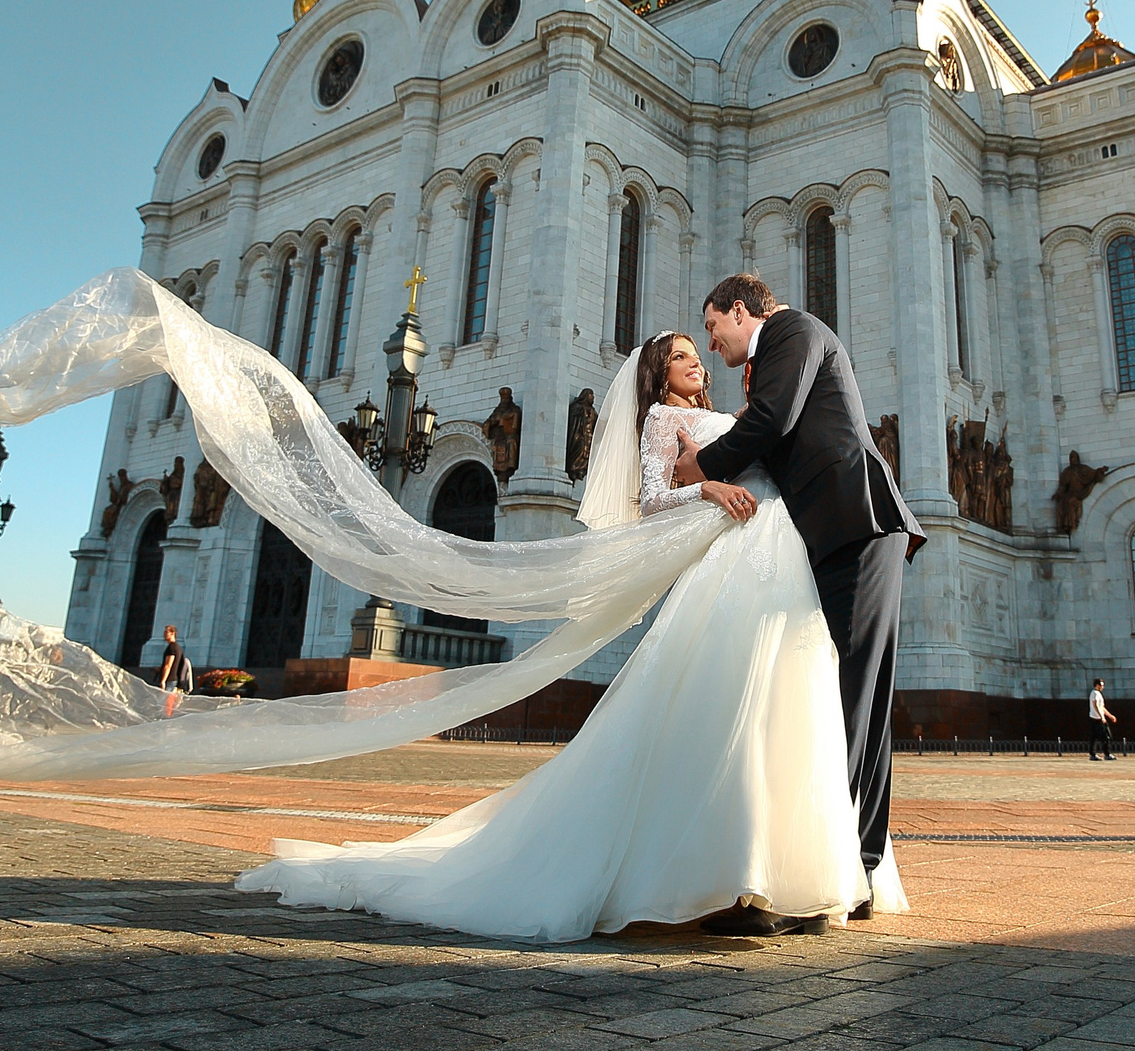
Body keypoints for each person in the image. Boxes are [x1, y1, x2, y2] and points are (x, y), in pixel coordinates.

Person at [244, 329, 887, 939]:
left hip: (779, 555)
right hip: (737, 557)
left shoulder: (738, 409)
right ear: (657, 375)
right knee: (732, 703)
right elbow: (654, 497)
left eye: (698, 352)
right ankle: (740, 874)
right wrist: (711, 489)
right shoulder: (664, 419)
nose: (696, 361)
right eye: (682, 356)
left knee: (790, 701)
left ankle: (802, 874)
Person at [672, 272, 925, 926]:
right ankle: (858, 871)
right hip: (840, 533)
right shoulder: (777, 352)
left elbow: (774, 418)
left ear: (739, 309)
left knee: (850, 703)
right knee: (859, 706)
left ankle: (806, 883)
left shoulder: (791, 330)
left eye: (712, 324)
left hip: (859, 524)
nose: (711, 340)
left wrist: (704, 462)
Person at [156, 624, 192, 718]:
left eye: (166, 632)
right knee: (170, 701)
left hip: (170, 679)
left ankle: (166, 718)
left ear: (173, 633)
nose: (164, 634)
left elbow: (169, 665)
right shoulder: (177, 647)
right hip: (174, 678)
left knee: (166, 701)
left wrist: (163, 680)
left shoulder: (172, 648)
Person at [1087, 678, 1118, 760]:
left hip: (1098, 718)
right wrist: (1102, 717)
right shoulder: (1094, 693)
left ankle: (1094, 754)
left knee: (1097, 737)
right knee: (1105, 736)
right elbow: (1095, 705)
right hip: (1096, 718)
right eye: (1101, 685)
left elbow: (1102, 707)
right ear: (1097, 685)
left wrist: (1110, 716)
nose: (1103, 687)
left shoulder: (1098, 694)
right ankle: (1106, 754)